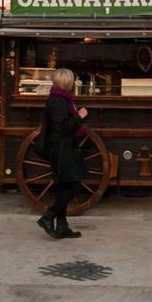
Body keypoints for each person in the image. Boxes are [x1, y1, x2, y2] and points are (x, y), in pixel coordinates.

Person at [36, 68, 90, 240]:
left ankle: (62, 225)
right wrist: (79, 116)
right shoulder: (59, 101)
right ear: (68, 82)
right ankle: (48, 217)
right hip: (61, 149)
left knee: (64, 186)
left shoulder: (60, 98)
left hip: (62, 148)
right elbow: (61, 129)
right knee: (74, 185)